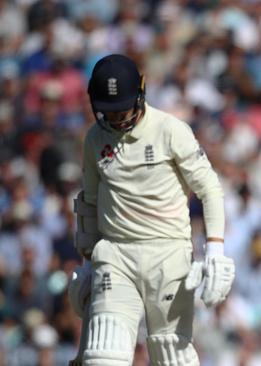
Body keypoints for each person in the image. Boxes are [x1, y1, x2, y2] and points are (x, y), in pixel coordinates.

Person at [67, 54, 235, 365]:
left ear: (141, 95)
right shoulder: (95, 139)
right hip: (116, 255)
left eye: (122, 110)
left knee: (170, 352)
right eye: (108, 111)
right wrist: (88, 261)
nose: (116, 119)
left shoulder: (170, 130)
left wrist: (215, 251)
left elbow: (209, 189)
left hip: (168, 256)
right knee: (102, 357)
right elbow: (89, 203)